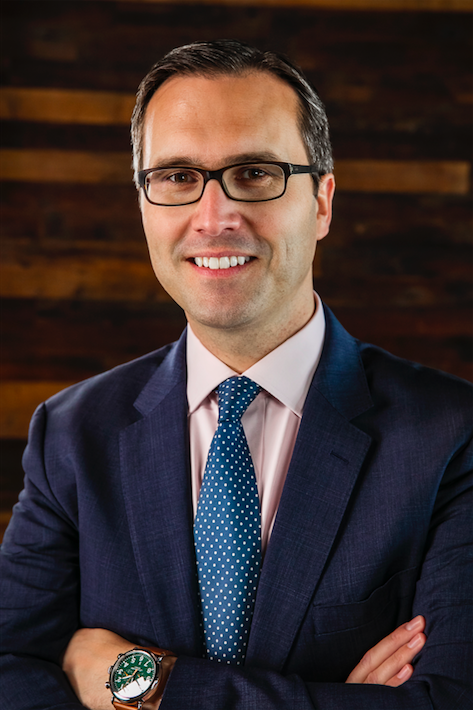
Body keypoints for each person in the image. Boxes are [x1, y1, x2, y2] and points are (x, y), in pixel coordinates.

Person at [0, 40, 471, 710]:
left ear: (323, 203)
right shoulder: (73, 434)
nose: (214, 218)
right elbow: (10, 666)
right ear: (143, 205)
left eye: (254, 173)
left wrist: (145, 683)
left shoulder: (450, 435)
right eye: (176, 177)